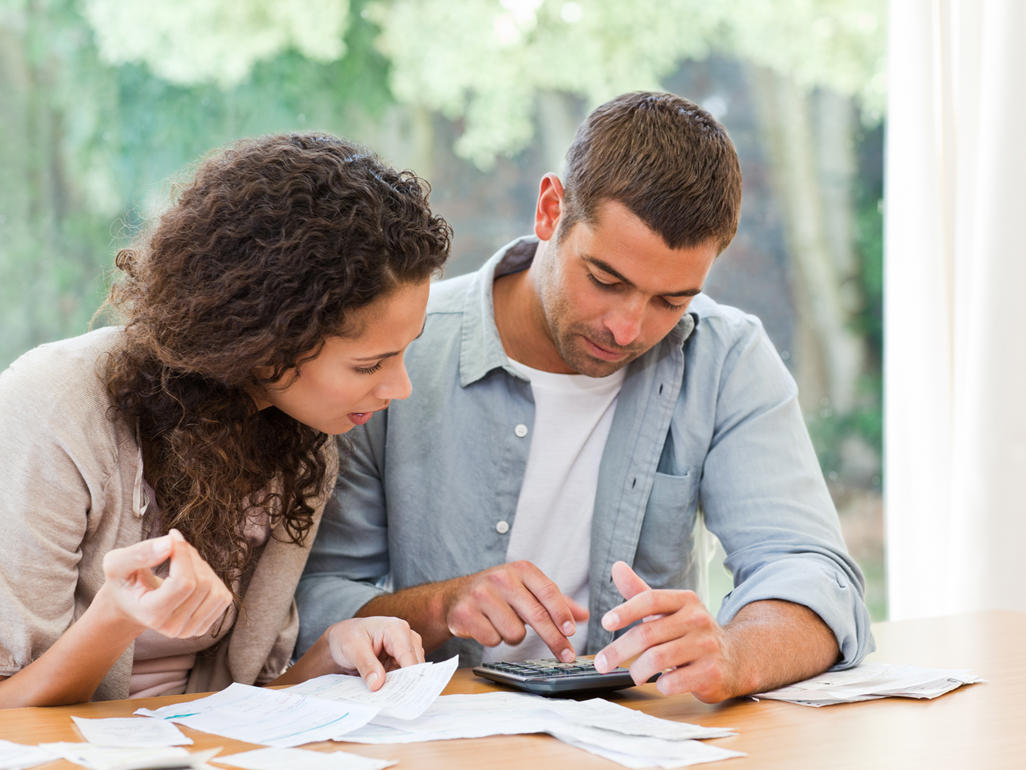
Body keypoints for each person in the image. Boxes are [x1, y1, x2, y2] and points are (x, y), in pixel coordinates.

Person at [296, 92, 874, 703]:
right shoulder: (396, 356)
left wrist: (735, 651)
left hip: (637, 739)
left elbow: (815, 577)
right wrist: (440, 606)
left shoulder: (725, 358)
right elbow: (310, 599)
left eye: (670, 301)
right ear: (550, 210)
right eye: (605, 279)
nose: (627, 329)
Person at [0, 133, 452, 708]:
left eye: (405, 351)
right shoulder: (56, 407)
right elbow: (8, 712)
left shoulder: (301, 445)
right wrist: (116, 616)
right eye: (369, 365)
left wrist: (330, 654)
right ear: (268, 342)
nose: (400, 388)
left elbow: (238, 704)